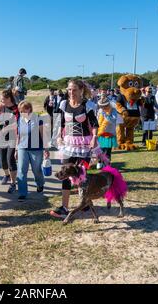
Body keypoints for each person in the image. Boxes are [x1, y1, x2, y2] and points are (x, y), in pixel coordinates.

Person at [51, 80, 99, 219]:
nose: (71, 92)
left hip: (84, 145)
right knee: (66, 173)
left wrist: (95, 137)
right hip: (68, 144)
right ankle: (64, 207)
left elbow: (94, 124)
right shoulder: (63, 104)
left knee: (81, 175)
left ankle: (83, 202)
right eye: (69, 89)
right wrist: (59, 135)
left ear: (81, 90)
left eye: (74, 90)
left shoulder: (87, 105)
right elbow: (60, 122)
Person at [15, 101, 50, 202]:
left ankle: (40, 184)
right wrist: (16, 149)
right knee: (21, 170)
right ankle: (22, 193)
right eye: (20, 111)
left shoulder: (37, 119)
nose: (21, 112)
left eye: (23, 110)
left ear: (29, 109)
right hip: (22, 148)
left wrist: (46, 148)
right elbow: (18, 135)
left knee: (36, 170)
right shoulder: (20, 120)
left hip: (36, 149)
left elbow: (43, 135)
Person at [0, 90, 19, 194]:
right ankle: (6, 175)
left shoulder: (17, 108)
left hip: (13, 137)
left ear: (9, 98)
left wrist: (8, 126)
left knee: (10, 160)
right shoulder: (1, 107)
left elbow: (19, 124)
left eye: (3, 99)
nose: (1, 100)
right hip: (2, 137)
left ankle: (13, 183)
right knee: (3, 161)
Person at [97, 96, 118, 164]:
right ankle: (100, 162)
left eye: (104, 106)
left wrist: (106, 115)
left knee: (108, 150)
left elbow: (113, 120)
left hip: (109, 133)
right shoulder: (100, 110)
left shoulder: (113, 110)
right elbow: (97, 120)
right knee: (100, 150)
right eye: (101, 106)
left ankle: (107, 164)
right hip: (101, 133)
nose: (102, 108)